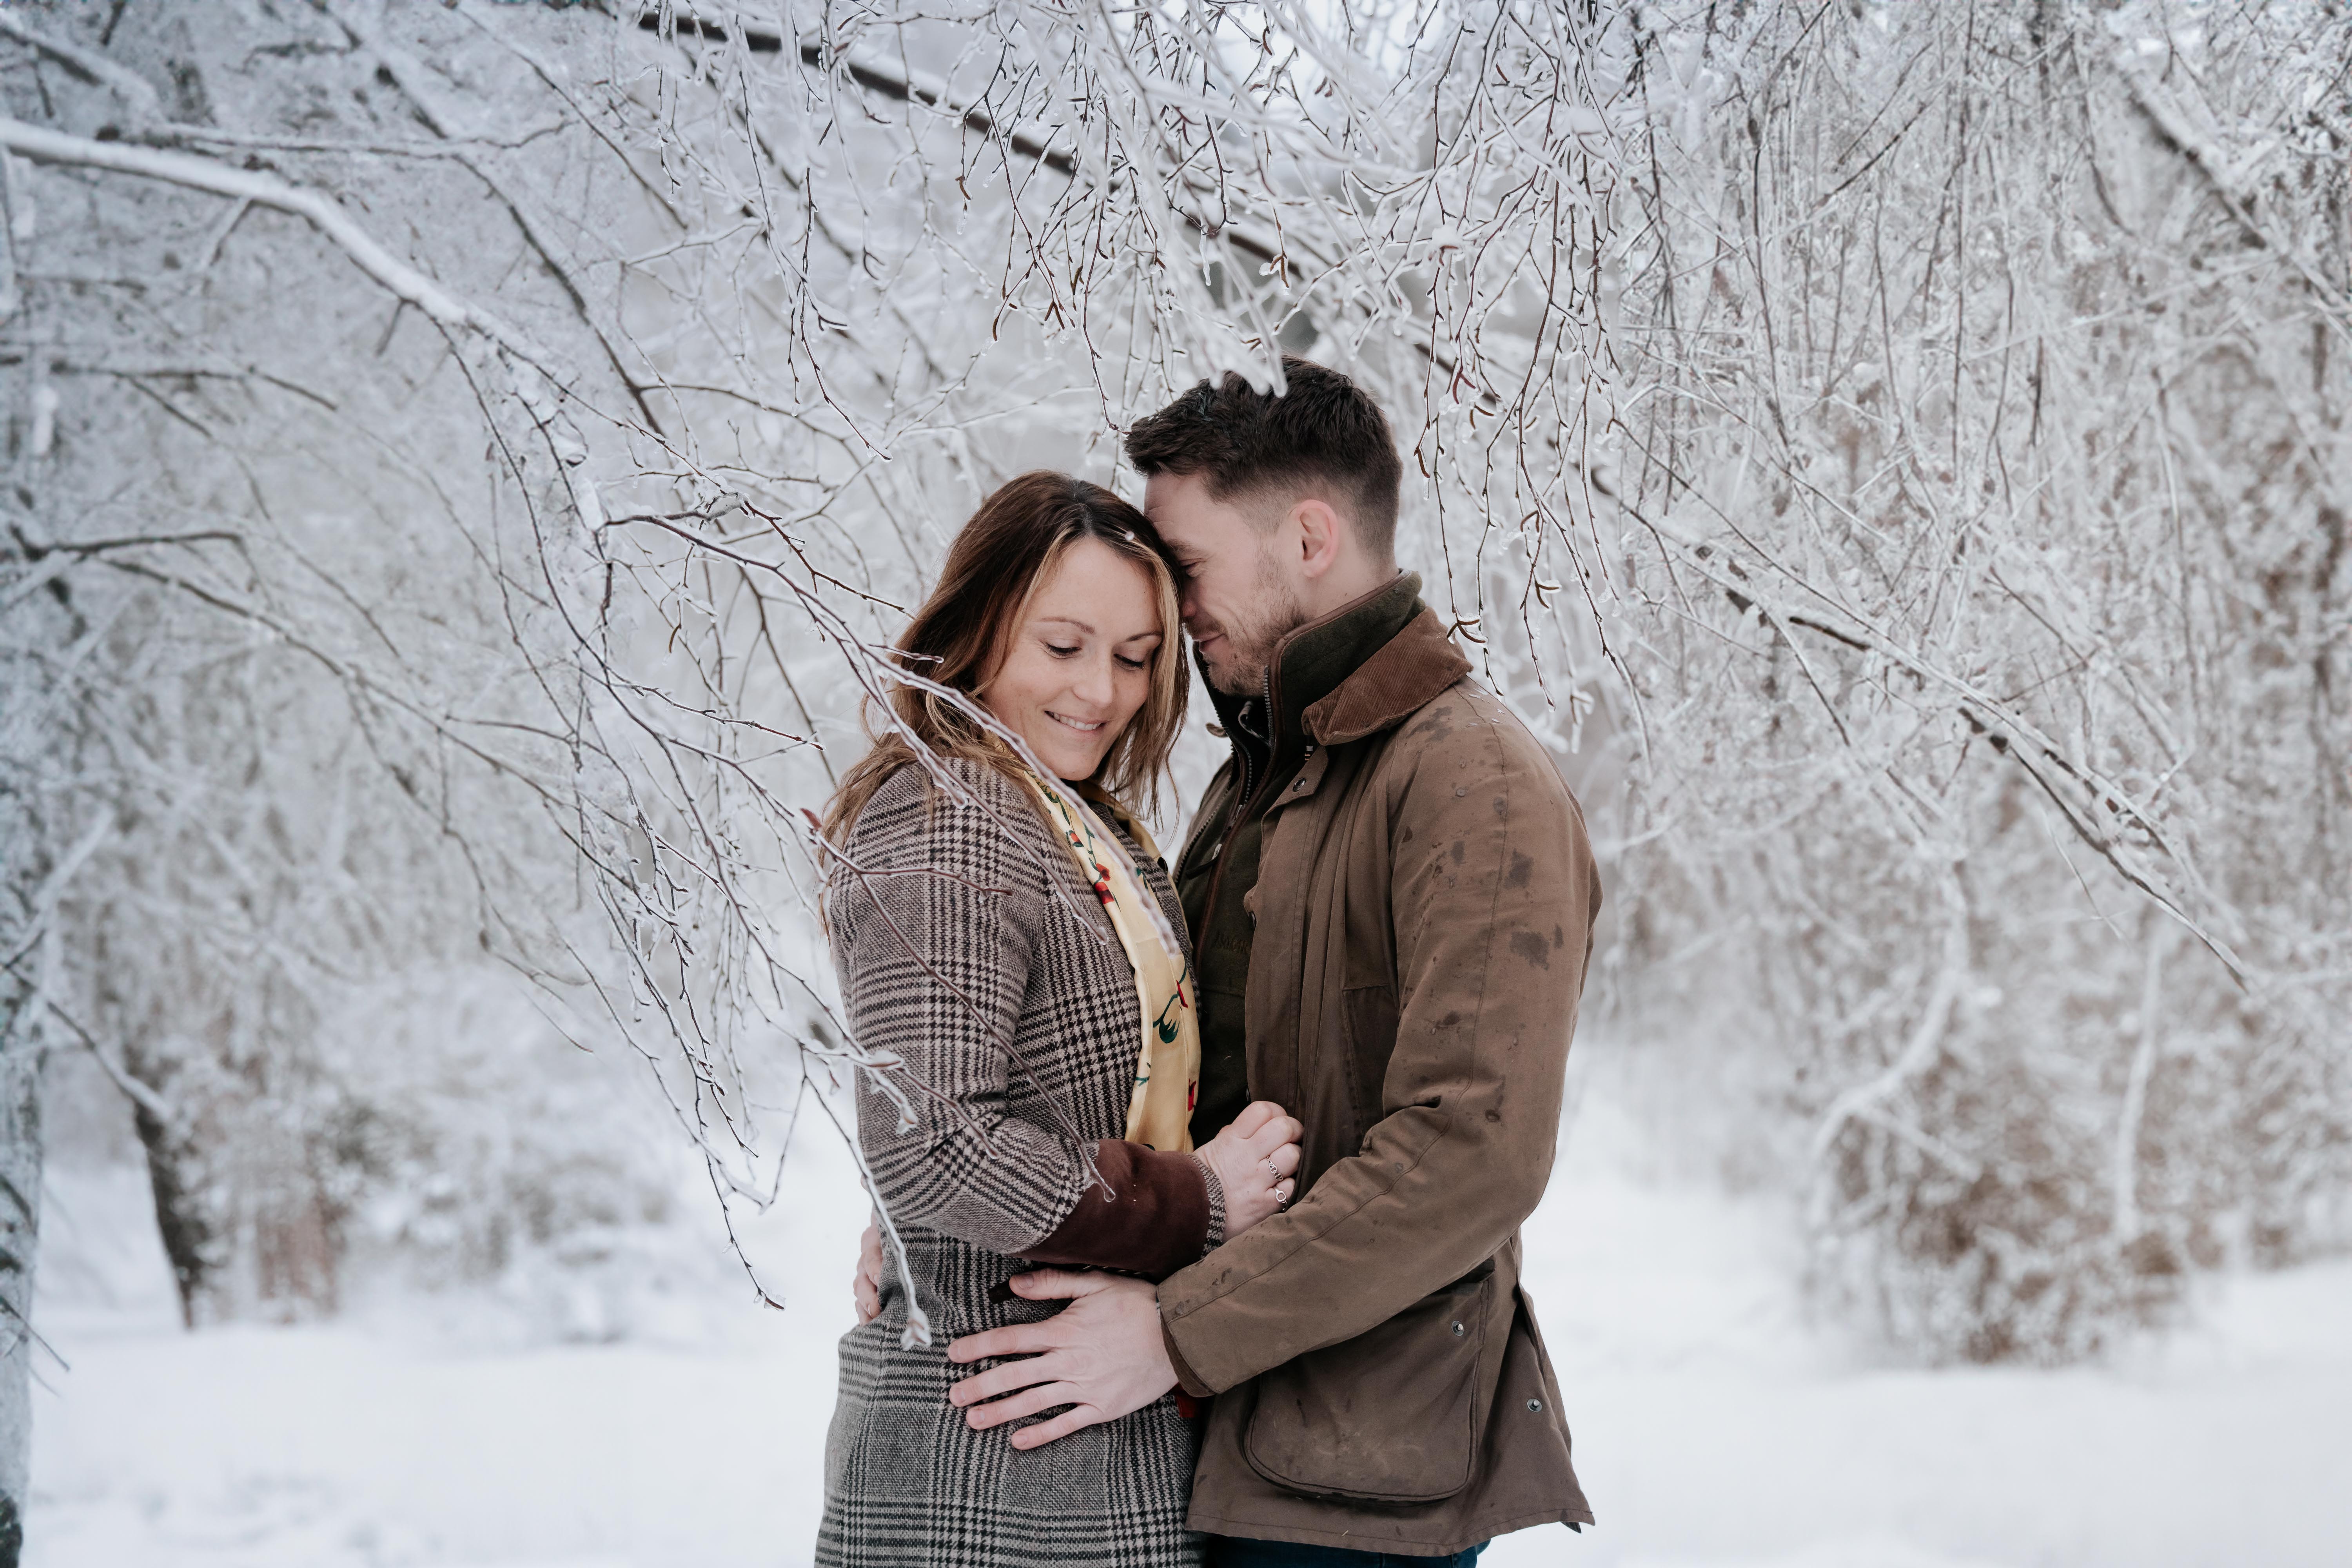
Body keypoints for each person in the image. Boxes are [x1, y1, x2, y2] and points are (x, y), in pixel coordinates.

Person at [937, 363, 1603, 1564]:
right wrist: (952, 1230)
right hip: (1214, 1448)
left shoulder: (1473, 781)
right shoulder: (1261, 776)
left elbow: (1471, 1155)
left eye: (1187, 564)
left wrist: (1176, 1333)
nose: (1172, 603)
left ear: (1308, 538)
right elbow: (1165, 1080)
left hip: (1356, 1485)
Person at [814, 471, 1305, 1568]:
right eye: (1064, 646)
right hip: (987, 1463)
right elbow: (932, 1143)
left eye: (1135, 657)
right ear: (979, 631)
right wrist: (1200, 1200)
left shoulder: (1068, 820)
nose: (1102, 691)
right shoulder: (948, 817)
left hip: (1069, 1445)